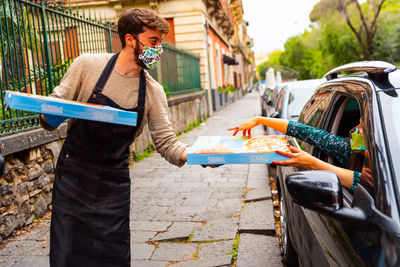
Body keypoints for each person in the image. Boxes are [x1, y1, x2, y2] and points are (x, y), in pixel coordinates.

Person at [39, 8, 190, 266]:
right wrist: (52, 114)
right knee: (67, 255)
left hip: (113, 183)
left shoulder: (153, 91)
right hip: (74, 177)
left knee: (112, 257)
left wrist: (198, 155)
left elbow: (167, 143)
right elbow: (48, 117)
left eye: (161, 43)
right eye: (153, 42)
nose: (159, 50)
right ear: (130, 39)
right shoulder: (87, 66)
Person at [229, 117, 370, 193]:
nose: (355, 130)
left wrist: (312, 163)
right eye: (358, 123)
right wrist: (259, 120)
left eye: (361, 127)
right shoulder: (350, 151)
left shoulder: (386, 167)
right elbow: (304, 131)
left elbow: (359, 182)